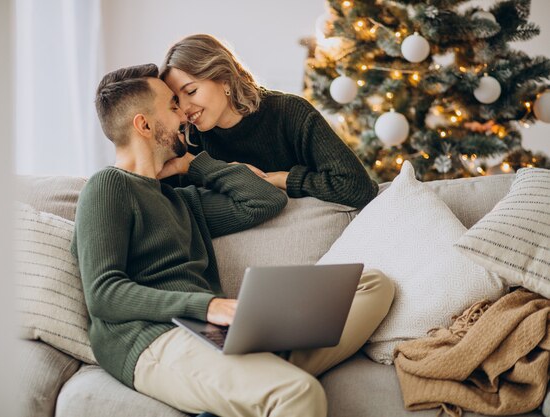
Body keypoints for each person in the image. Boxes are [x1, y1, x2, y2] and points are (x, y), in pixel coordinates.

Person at [72, 63, 395, 417]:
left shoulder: (180, 200)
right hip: (150, 339)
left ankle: (253, 384)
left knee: (374, 285)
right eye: (172, 106)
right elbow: (104, 293)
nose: (185, 116)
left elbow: (265, 200)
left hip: (211, 331)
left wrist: (191, 165)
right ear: (144, 125)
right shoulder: (108, 186)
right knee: (298, 393)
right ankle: (266, 385)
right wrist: (209, 307)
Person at [160, 33, 379, 207]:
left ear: (224, 79)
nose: (184, 109)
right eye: (176, 100)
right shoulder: (189, 138)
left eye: (191, 91)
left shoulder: (289, 112)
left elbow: (357, 187)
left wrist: (281, 179)